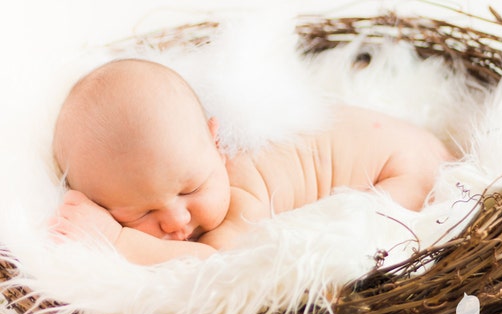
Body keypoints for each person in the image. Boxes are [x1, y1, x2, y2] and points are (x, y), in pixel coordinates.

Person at [52, 59, 453, 265]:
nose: (175, 220)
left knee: (374, 245)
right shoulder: (188, 161)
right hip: (401, 144)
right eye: (140, 211)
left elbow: (211, 268)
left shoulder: (241, 198)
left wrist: (119, 240)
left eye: (190, 189)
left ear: (217, 143)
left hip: (406, 166)